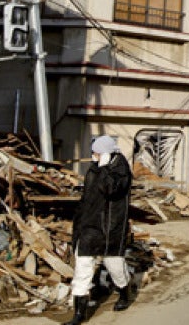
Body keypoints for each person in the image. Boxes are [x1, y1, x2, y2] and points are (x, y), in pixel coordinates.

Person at [65, 135, 133, 325]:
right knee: (83, 268)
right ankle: (79, 314)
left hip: (111, 229)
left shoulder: (121, 170)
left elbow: (111, 189)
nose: (93, 156)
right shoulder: (94, 169)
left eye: (97, 152)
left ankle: (125, 292)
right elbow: (87, 198)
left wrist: (104, 169)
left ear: (107, 153)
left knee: (115, 267)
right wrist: (78, 225)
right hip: (90, 227)